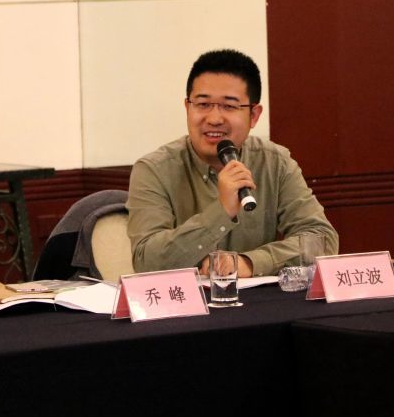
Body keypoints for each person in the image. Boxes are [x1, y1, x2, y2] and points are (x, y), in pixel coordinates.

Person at [126, 49, 338, 277]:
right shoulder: (154, 170)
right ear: (187, 107)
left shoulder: (275, 163)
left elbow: (322, 239)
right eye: (203, 104)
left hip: (259, 299)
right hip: (185, 300)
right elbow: (146, 261)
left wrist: (249, 263)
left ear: (254, 115)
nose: (214, 119)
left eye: (229, 106)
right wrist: (221, 212)